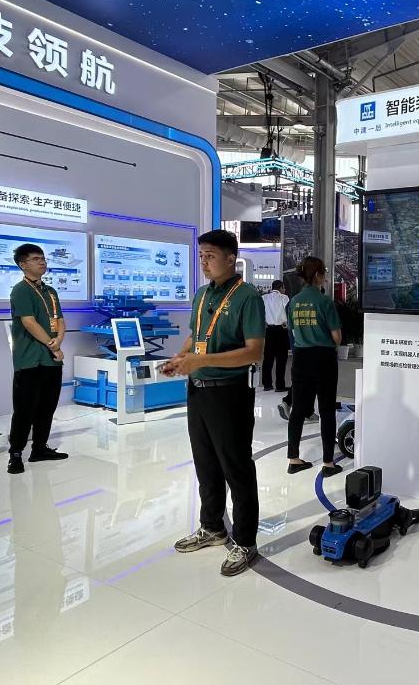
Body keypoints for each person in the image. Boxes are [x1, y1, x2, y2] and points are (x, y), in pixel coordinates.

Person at [161, 229, 265, 578]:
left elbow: (254, 352)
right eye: (201, 255)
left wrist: (202, 361)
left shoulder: (247, 297)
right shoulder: (202, 294)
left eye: (210, 255)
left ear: (230, 258)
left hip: (230, 393)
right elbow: (197, 335)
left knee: (236, 467)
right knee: (205, 464)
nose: (204, 262)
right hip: (199, 390)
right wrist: (181, 357)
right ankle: (212, 527)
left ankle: (245, 541)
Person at [7, 243, 69, 475]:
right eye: (35, 259)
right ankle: (15, 454)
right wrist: (53, 344)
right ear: (23, 265)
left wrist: (58, 340)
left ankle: (40, 448)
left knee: (47, 407)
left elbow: (60, 320)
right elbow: (29, 322)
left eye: (43, 258)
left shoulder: (50, 291)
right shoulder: (20, 290)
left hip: (52, 360)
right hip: (30, 360)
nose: (42, 262)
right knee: (24, 410)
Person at [286, 256, 344, 478]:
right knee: (327, 409)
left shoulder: (293, 302)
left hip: (301, 357)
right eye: (324, 273)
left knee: (298, 409)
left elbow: (292, 331)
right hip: (324, 358)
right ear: (318, 275)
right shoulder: (324, 302)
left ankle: (293, 459)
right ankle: (328, 462)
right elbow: (336, 336)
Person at [261, 280, 290, 393]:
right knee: (281, 358)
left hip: (268, 330)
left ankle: (267, 384)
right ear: (281, 288)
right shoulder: (284, 297)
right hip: (281, 330)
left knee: (268, 358)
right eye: (284, 288)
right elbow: (288, 312)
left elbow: (261, 313)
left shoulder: (264, 298)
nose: (284, 290)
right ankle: (280, 385)